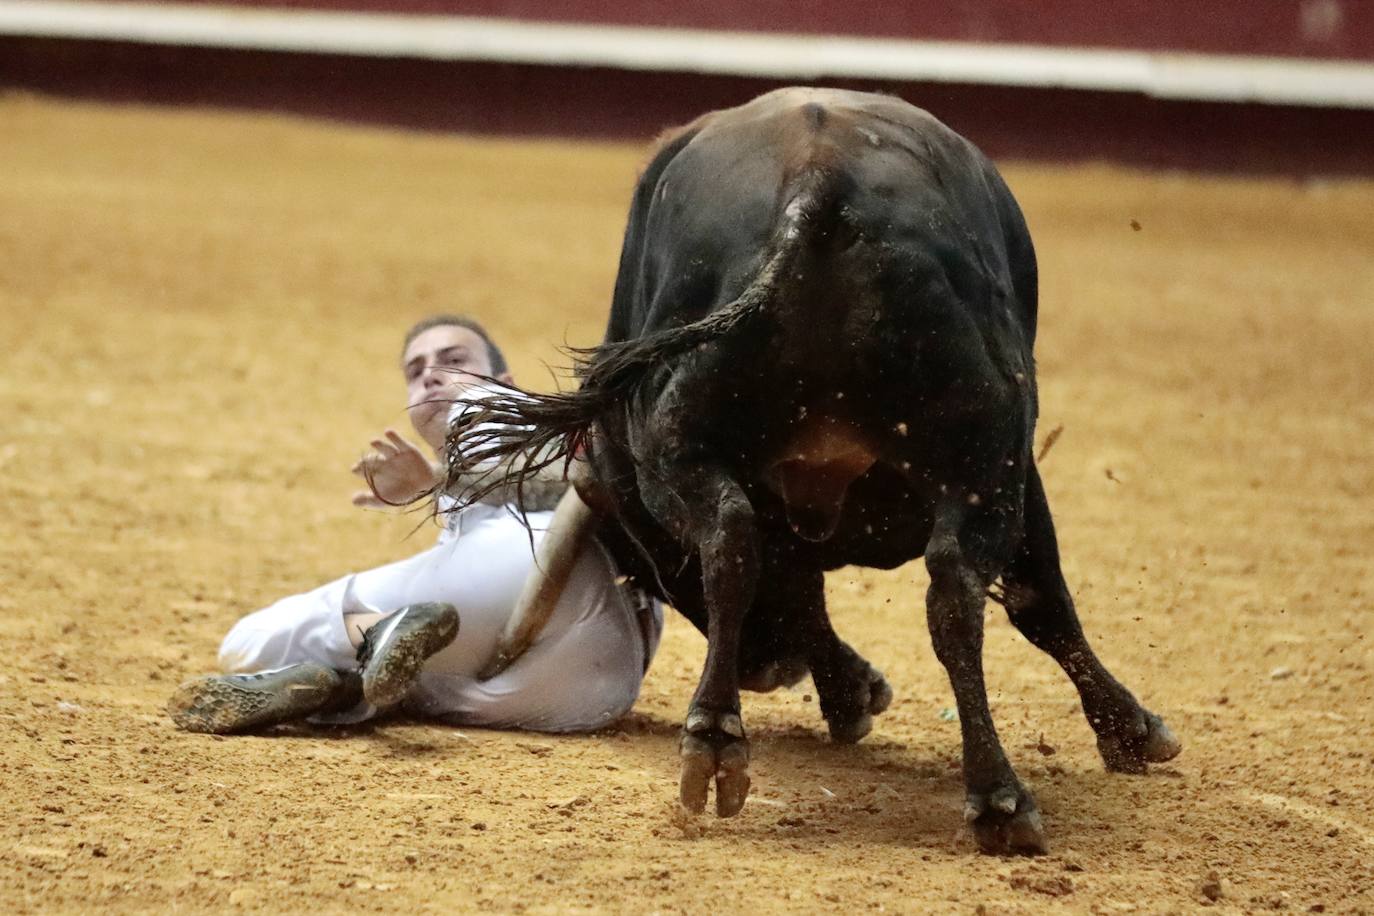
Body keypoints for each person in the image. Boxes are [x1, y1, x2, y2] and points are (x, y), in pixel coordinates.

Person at [167, 314, 662, 733]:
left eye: (454, 359)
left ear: (506, 380)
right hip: (593, 692)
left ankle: (366, 641)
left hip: (544, 563)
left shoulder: (502, 411)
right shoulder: (485, 478)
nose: (431, 375)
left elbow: (577, 479)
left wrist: (440, 479)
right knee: (414, 684)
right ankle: (338, 686)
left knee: (248, 640)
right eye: (416, 369)